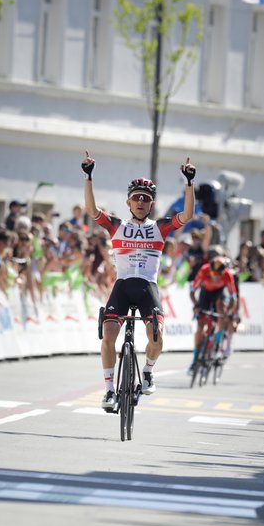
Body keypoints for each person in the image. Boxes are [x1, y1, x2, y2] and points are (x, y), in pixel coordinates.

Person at [82, 150, 195, 410]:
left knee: (157, 335)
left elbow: (187, 215)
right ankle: (110, 390)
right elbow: (91, 210)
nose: (141, 202)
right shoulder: (117, 225)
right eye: (136, 198)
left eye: (146, 199)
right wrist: (88, 177)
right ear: (128, 202)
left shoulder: (160, 227)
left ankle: (147, 371)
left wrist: (189, 183)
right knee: (108, 335)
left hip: (147, 288)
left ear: (151, 204)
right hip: (122, 287)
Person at [189, 252, 237, 370]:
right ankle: (195, 359)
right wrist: (196, 305)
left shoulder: (228, 275)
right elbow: (192, 291)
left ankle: (216, 344)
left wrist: (229, 312)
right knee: (200, 325)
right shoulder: (204, 270)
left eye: (218, 274)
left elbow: (233, 297)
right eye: (213, 273)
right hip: (205, 293)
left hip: (219, 294)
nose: (215, 277)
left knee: (221, 310)